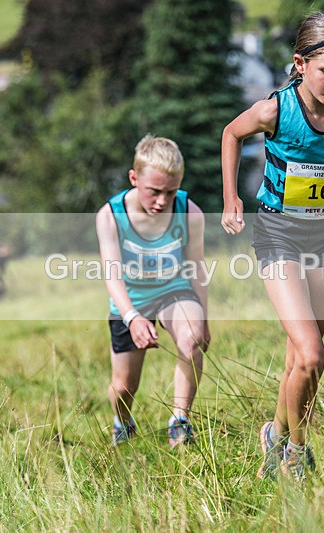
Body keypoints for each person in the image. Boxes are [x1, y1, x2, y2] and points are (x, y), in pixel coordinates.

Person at [221, 10, 324, 480]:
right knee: (313, 354)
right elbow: (232, 133)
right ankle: (296, 451)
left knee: (301, 356)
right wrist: (232, 199)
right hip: (277, 234)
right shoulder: (276, 109)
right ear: (299, 64)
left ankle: (273, 435)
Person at [96, 135, 210, 448]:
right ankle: (123, 421)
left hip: (175, 290)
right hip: (130, 300)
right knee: (122, 387)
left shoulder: (190, 212)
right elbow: (112, 274)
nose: (162, 201)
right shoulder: (110, 216)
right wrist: (132, 317)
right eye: (154, 191)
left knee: (192, 340)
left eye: (170, 192)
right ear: (134, 179)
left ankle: (180, 422)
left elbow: (197, 269)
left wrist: (205, 321)